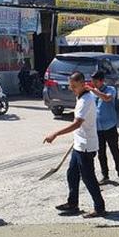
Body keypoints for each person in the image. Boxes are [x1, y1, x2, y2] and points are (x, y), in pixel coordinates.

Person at [44, 71, 106, 218]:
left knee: (88, 178)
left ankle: (100, 207)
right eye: (70, 86)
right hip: (79, 144)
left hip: (86, 146)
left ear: (82, 84)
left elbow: (77, 123)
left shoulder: (86, 101)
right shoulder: (81, 96)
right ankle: (73, 203)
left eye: (74, 86)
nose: (72, 89)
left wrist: (55, 133)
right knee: (72, 173)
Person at [88, 71, 119, 184]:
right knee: (101, 154)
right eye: (92, 80)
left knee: (115, 151)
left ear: (101, 80)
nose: (93, 83)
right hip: (98, 128)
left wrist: (94, 91)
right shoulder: (92, 93)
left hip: (110, 127)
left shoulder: (111, 90)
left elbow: (107, 98)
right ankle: (105, 175)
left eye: (95, 81)